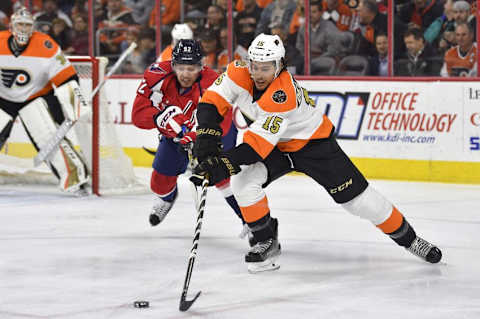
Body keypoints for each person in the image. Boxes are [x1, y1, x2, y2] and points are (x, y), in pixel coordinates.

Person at [191, 33, 442, 273]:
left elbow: (256, 147)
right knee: (243, 181)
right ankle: (266, 240)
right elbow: (212, 100)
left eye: (265, 67)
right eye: (254, 65)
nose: (257, 73)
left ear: (279, 66)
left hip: (313, 145)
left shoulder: (282, 95)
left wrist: (222, 164)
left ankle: (411, 240)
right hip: (278, 147)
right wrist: (206, 139)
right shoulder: (237, 70)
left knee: (360, 203)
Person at [131, 39, 248, 237]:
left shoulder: (214, 82)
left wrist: (201, 138)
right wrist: (160, 118)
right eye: (181, 68)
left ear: (201, 66)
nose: (186, 74)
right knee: (158, 183)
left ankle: (250, 221)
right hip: (176, 133)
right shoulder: (157, 76)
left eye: (192, 68)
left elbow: (224, 121)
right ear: (173, 65)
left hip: (214, 132)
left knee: (221, 176)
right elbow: (137, 115)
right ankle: (168, 198)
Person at [0, 7, 89, 194]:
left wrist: (75, 102)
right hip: (3, 98)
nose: (23, 29)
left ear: (33, 28)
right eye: (19, 25)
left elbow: (67, 77)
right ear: (11, 27)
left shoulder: (46, 45)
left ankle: (75, 178)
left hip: (34, 96)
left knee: (48, 136)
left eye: (27, 25)